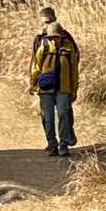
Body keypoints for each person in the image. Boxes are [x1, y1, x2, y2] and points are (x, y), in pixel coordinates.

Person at [30, 21, 79, 158]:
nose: (54, 40)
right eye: (51, 37)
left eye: (56, 37)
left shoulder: (69, 49)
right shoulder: (44, 47)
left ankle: (63, 144)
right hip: (46, 89)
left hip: (64, 88)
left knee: (64, 114)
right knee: (48, 117)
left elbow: (74, 71)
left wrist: (74, 90)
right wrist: (33, 83)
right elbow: (36, 67)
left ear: (61, 37)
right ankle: (52, 144)